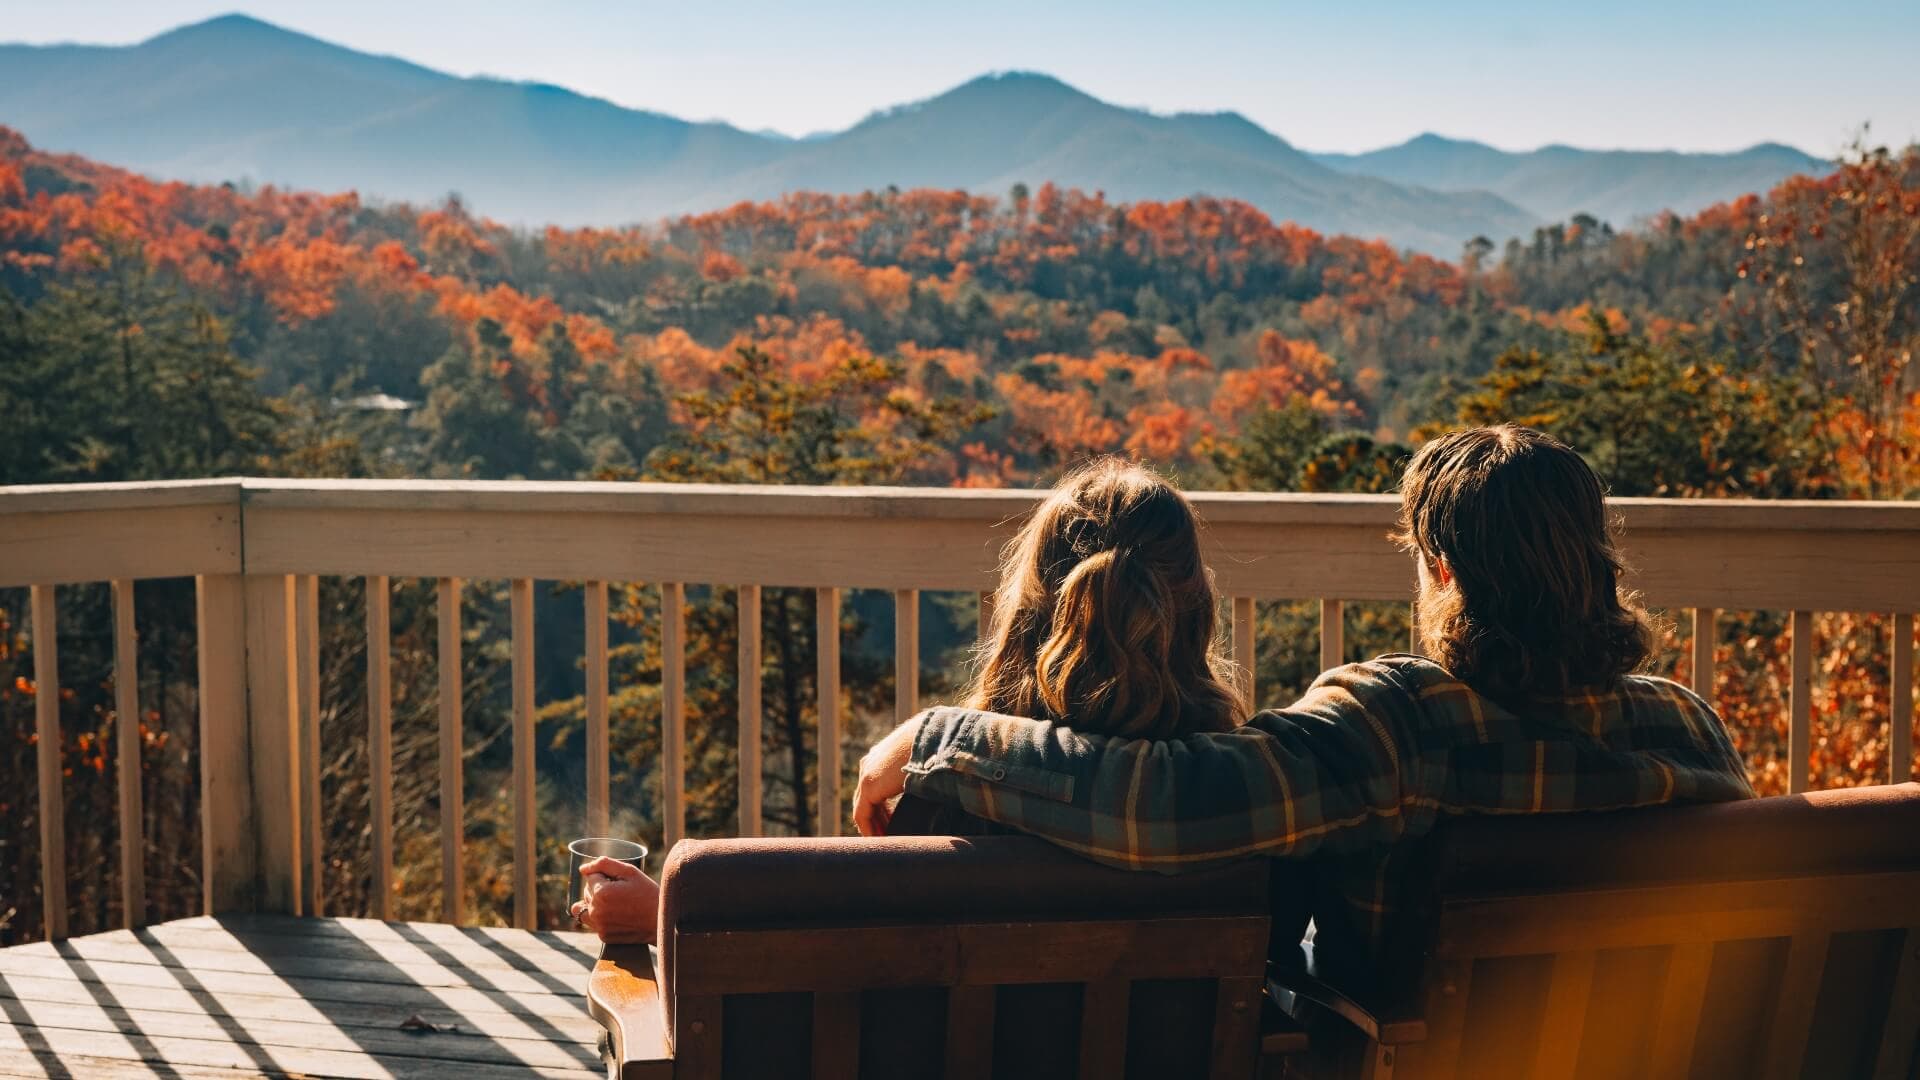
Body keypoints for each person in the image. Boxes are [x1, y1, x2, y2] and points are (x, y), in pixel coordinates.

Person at [851, 424, 1755, 989]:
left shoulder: (1400, 722)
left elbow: (1164, 806)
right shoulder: (1690, 732)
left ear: (1443, 573)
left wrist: (944, 736)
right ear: (1598, 562)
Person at [569, 457, 1248, 940]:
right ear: (1192, 612)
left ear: (1029, 611)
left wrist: (666, 919)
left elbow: (837, 969)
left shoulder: (958, 803)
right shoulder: (1248, 810)